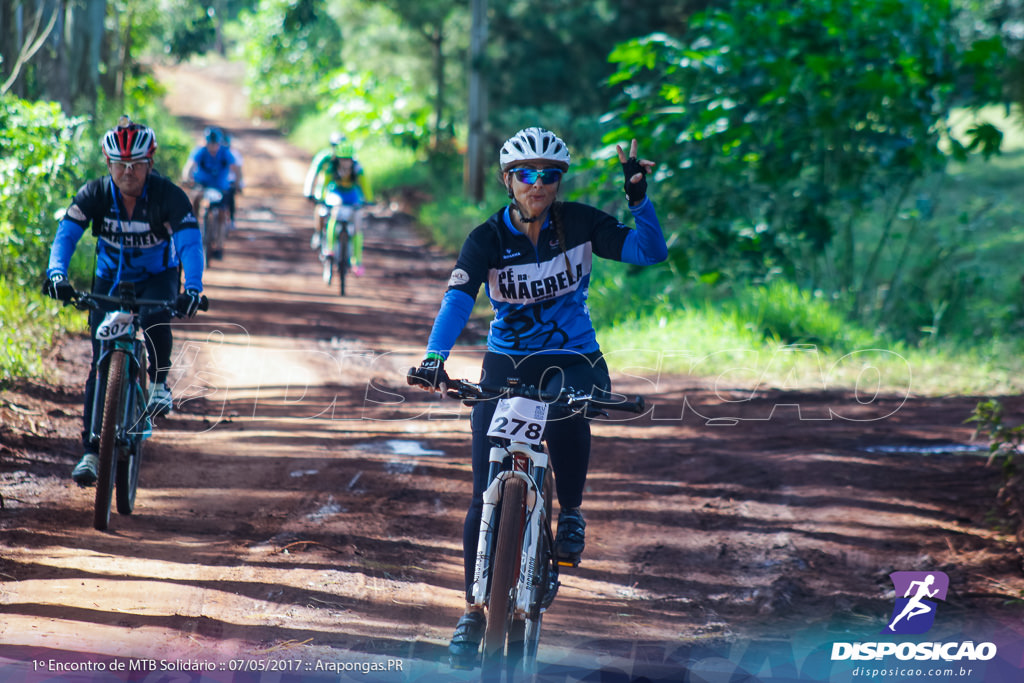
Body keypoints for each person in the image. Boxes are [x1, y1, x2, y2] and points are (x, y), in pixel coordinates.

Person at [409, 127, 667, 665]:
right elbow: (458, 299)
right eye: (526, 175)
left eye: (550, 175)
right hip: (508, 360)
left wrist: (639, 200)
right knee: (483, 488)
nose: (538, 184)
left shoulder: (580, 223)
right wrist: (435, 358)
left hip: (575, 357)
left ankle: (570, 511)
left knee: (571, 413)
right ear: (508, 180)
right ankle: (473, 611)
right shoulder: (486, 238)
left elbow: (649, 251)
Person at [42, 116, 205, 486]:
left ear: (150, 162)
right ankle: (89, 451)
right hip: (110, 279)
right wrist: (57, 275)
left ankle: (160, 383)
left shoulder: (169, 197)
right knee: (100, 361)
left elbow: (190, 244)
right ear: (108, 162)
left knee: (154, 319)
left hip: (157, 277)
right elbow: (66, 235)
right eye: (120, 164)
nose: (127, 172)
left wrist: (192, 288)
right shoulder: (95, 194)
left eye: (135, 165)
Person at [302, 133, 372, 275]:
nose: (345, 162)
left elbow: (365, 186)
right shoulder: (327, 161)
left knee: (357, 223)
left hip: (352, 195)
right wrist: (313, 194)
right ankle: (326, 244)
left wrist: (369, 201)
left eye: (348, 160)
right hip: (333, 192)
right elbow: (315, 175)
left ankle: (356, 261)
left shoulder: (356, 167)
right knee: (328, 211)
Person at [181, 126, 241, 259]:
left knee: (221, 215)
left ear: (219, 143)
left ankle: (219, 246)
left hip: (221, 187)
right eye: (210, 143)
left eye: (215, 143)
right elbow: (189, 166)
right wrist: (186, 178)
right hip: (202, 185)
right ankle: (193, 224)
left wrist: (237, 183)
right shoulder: (200, 152)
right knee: (195, 199)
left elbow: (236, 169)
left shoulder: (225, 153)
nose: (212, 146)